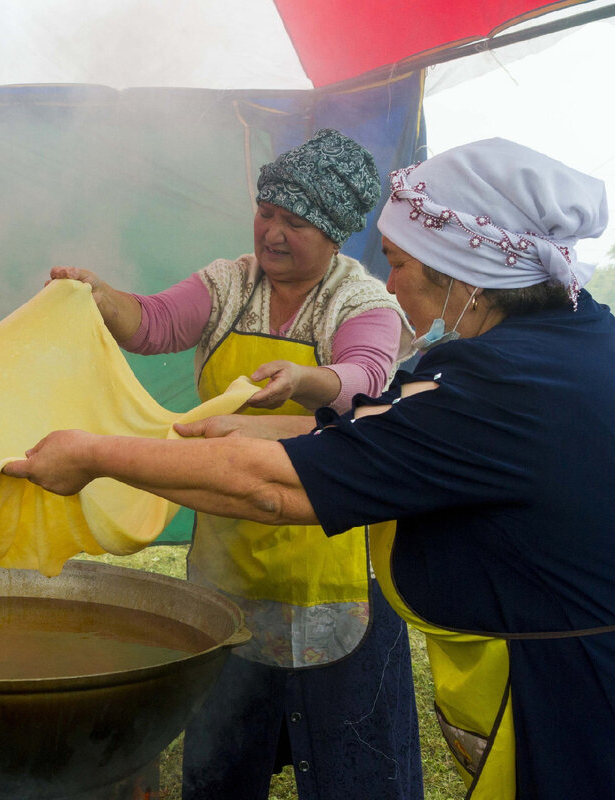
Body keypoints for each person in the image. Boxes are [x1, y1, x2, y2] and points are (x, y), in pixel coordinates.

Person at [6, 138, 615, 799]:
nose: (391, 282)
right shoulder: (575, 336)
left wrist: (93, 455)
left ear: (462, 268)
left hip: (577, 694)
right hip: (568, 663)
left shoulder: (494, 381)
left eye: (399, 263)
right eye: (265, 212)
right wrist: (254, 426)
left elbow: (280, 482)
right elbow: (396, 423)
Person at [50, 128, 421, 799]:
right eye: (266, 212)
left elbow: (366, 379)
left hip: (331, 574)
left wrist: (304, 383)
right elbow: (155, 322)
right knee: (223, 766)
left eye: (296, 222)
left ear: (335, 233)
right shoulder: (229, 282)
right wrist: (100, 297)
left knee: (351, 771)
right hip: (228, 563)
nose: (272, 233)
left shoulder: (360, 300)